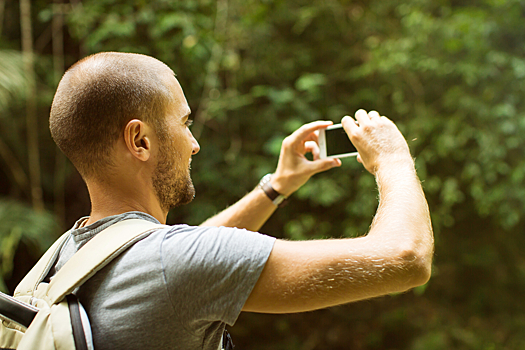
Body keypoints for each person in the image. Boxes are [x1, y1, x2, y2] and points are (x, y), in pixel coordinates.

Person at [47, 52, 433, 350]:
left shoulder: (62, 261)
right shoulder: (175, 266)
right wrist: (393, 159)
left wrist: (276, 186)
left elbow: (189, 253)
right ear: (140, 141)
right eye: (185, 124)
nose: (194, 145)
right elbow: (406, 258)